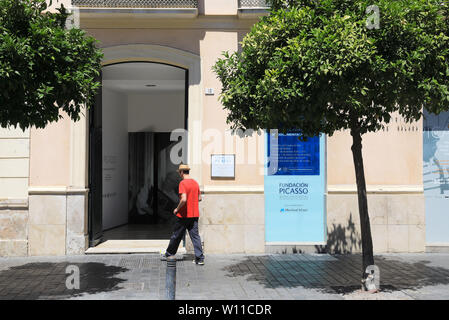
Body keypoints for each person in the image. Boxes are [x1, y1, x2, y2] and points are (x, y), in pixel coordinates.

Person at [162, 164, 205, 265]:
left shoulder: (182, 183)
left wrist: (177, 209)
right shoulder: (195, 183)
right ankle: (200, 258)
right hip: (194, 214)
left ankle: (169, 254)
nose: (179, 175)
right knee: (195, 236)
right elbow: (199, 198)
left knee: (176, 235)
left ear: (181, 172)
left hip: (184, 215)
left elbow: (184, 199)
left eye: (179, 173)